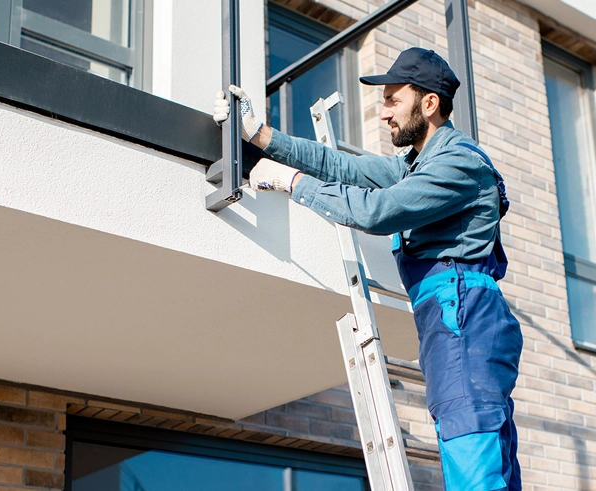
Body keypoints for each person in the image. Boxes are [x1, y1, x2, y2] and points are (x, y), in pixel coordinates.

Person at [214, 47, 524, 491]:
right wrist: (261, 136)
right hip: (455, 313)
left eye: (393, 100)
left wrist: (294, 184)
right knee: (475, 445)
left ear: (429, 103)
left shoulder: (458, 163)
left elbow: (377, 212)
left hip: (463, 316)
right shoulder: (419, 164)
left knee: (470, 448)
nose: (383, 114)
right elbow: (345, 166)